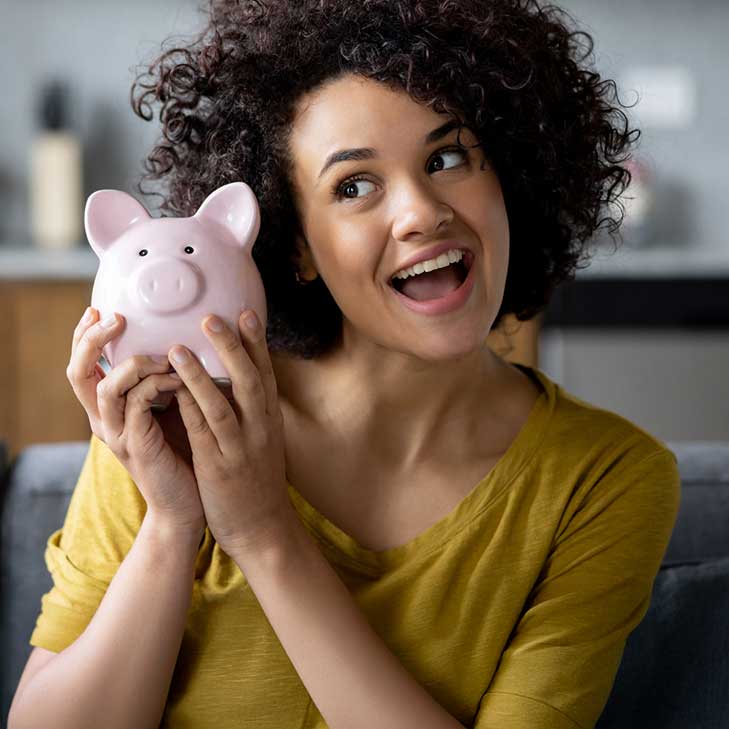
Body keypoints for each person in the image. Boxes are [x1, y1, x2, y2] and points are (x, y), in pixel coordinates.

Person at [9, 1, 681, 728]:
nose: (420, 212)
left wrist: (264, 534)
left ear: (511, 179)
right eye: (353, 186)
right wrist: (173, 523)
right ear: (295, 245)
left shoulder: (606, 478)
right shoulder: (185, 406)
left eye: (446, 157)